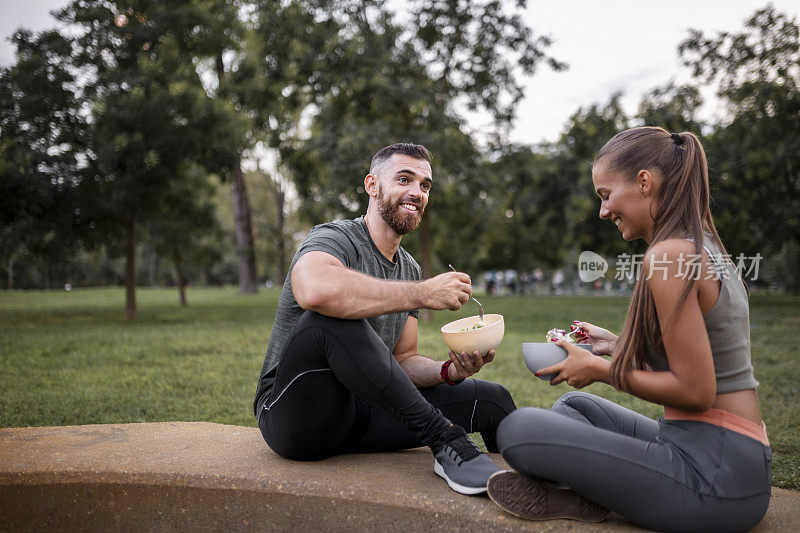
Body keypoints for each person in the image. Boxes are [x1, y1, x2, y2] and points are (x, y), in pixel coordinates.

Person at [487, 127, 771, 532]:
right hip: (727, 457)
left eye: (605, 195)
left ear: (643, 181)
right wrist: (615, 345)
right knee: (575, 409)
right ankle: (594, 494)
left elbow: (697, 391)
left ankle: (595, 491)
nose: (603, 211)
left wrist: (603, 371)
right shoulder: (703, 243)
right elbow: (701, 357)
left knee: (518, 429)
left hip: (715, 480)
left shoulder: (669, 254)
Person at [254, 143, 516, 495]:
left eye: (425, 185)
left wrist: (448, 371)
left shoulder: (409, 267)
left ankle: (523, 482)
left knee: (492, 399)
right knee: (330, 319)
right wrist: (421, 293)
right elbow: (315, 291)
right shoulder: (333, 238)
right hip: (297, 417)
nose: (417, 193)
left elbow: (403, 360)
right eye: (405, 179)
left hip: (363, 413)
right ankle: (444, 439)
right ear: (372, 185)